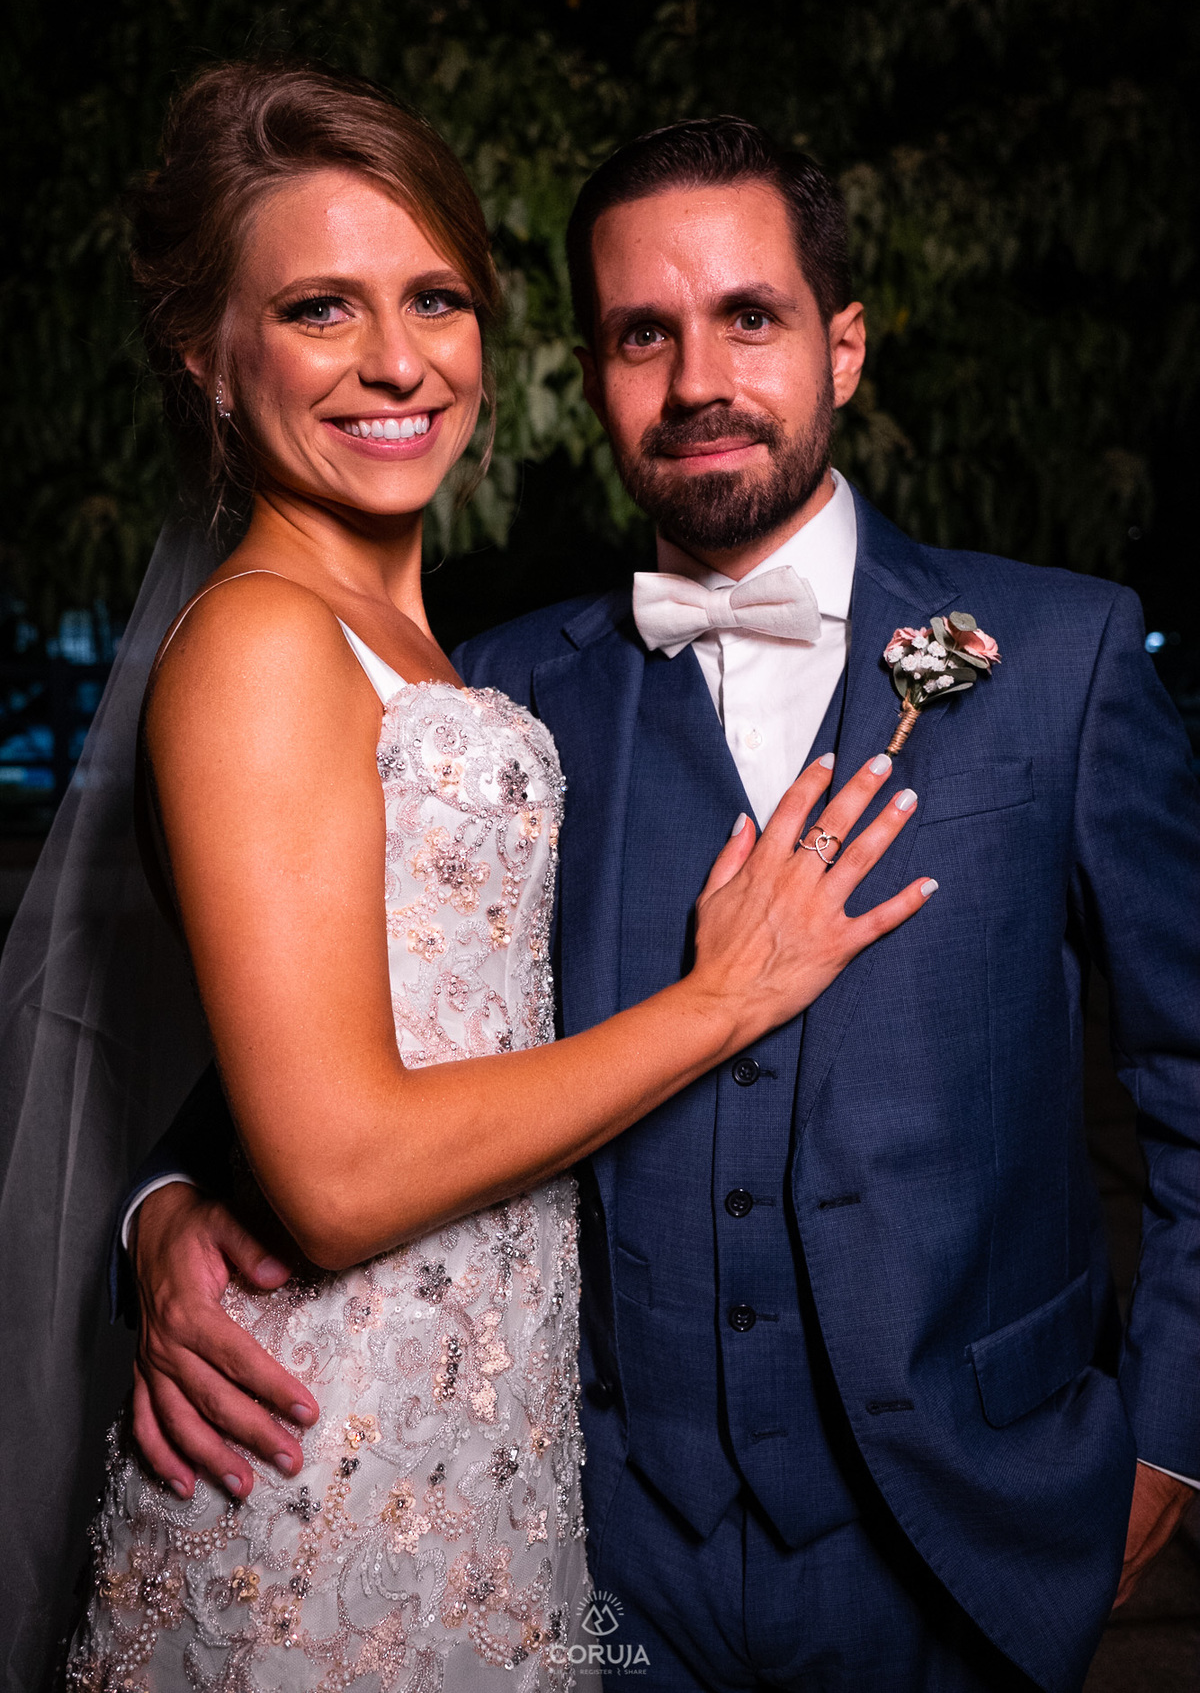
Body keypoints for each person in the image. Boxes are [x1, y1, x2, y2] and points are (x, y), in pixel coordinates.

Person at [117, 117, 1200, 1693]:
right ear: (593, 370)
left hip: (969, 1527)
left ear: (842, 346)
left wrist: (1173, 1436)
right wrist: (162, 1209)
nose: (698, 380)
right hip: (599, 1548)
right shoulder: (501, 695)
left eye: (749, 318)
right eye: (643, 334)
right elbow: (336, 1027)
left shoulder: (1060, 657)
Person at [50, 71, 932, 1691]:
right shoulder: (258, 643)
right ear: (207, 358)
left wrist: (169, 1207)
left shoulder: (449, 655)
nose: (398, 360)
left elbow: (362, 1001)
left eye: (435, 298)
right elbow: (331, 1171)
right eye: (320, 308)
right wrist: (722, 1000)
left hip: (500, 1448)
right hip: (329, 1445)